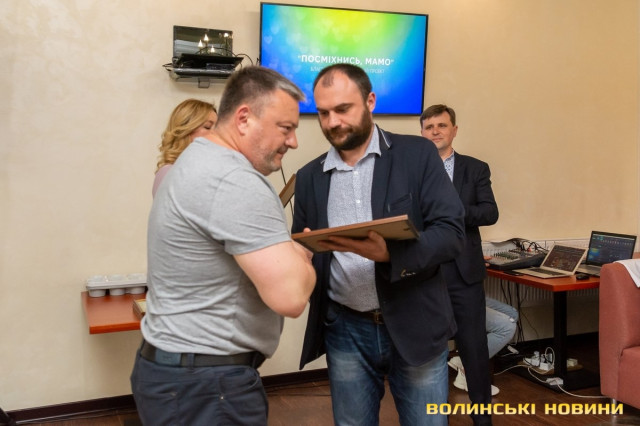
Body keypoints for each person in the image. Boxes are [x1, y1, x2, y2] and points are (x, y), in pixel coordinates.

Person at [131, 66, 316, 425]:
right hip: (206, 386)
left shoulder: (194, 160)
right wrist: (302, 258)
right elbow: (291, 297)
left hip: (176, 374)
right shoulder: (233, 179)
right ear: (244, 118)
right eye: (286, 128)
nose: (293, 141)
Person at [292, 64, 466, 426]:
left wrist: (390, 254)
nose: (333, 122)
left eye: (343, 109)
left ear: (370, 101)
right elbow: (305, 250)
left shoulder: (416, 154)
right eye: (323, 113)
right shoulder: (309, 177)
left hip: (416, 323)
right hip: (345, 330)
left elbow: (451, 233)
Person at [420, 104, 499, 425]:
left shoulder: (475, 168)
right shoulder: (414, 170)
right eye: (429, 127)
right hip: (425, 274)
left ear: (454, 130)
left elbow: (489, 213)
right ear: (422, 133)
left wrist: (451, 211)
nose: (435, 131)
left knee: (474, 350)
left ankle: (482, 419)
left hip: (464, 274)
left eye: (441, 125)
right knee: (429, 353)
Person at [448, 297, 519, 394]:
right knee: (507, 327)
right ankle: (469, 372)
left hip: (468, 294)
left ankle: (464, 360)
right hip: (454, 301)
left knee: (513, 313)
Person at [152, 99, 218, 197]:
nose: (216, 133)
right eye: (207, 127)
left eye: (217, 128)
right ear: (186, 130)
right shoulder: (169, 173)